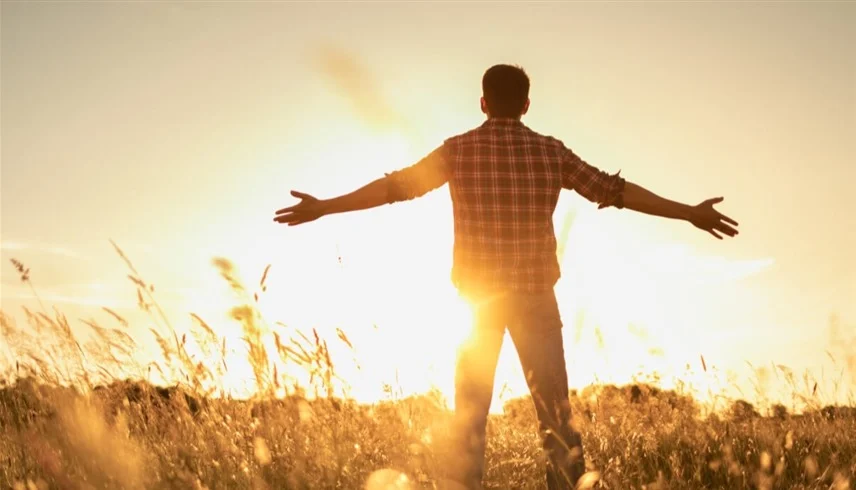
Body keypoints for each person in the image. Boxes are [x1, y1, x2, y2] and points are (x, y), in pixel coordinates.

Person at [273, 64, 738, 489]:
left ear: (483, 102)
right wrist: (688, 212)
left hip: (476, 306)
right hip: (536, 300)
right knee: (557, 421)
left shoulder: (458, 150)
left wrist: (326, 206)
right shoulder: (551, 151)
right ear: (526, 104)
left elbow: (395, 187)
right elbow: (614, 191)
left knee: (469, 421)